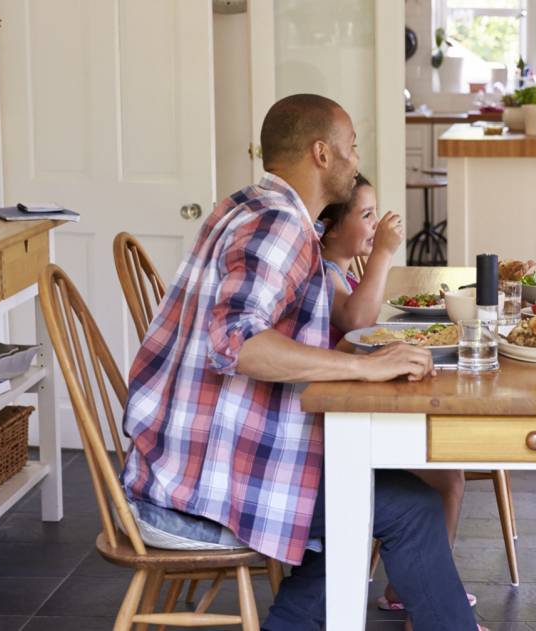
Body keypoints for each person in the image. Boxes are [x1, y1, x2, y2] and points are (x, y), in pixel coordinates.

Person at [122, 93, 484, 631]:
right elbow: (236, 344)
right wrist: (364, 367)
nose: (356, 161)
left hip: (180, 458)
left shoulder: (248, 205)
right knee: (412, 507)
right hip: (200, 481)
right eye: (351, 148)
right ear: (322, 153)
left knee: (360, 496)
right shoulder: (279, 225)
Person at [316, 177, 474, 612]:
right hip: (337, 425)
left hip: (348, 406)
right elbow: (356, 321)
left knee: (449, 474)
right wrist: (383, 251)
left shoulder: (339, 268)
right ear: (330, 227)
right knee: (446, 477)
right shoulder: (324, 272)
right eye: (366, 215)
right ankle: (420, 596)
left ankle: (414, 589)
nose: (375, 224)